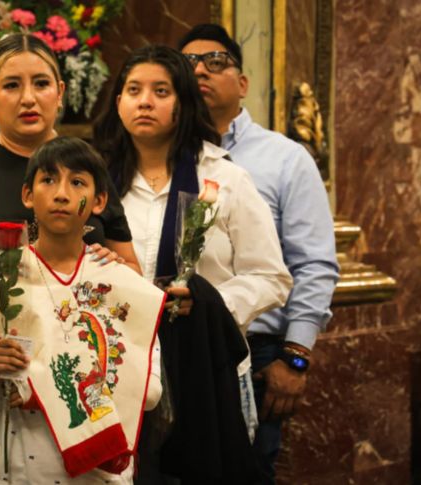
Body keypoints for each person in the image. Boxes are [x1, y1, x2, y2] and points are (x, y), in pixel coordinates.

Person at [93, 44, 292, 483]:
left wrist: (208, 302)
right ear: (119, 102)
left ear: (182, 104)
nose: (145, 101)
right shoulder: (96, 177)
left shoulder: (224, 178)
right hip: (115, 369)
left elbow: (272, 277)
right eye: (134, 90)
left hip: (205, 368)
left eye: (161, 91)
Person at [179, 24, 340, 484]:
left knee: (245, 473)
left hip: (257, 351)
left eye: (216, 62)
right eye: (189, 64)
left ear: (243, 83)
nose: (201, 73)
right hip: (174, 348)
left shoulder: (285, 158)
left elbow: (313, 263)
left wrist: (295, 357)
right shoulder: (160, 156)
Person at [0, 136, 166, 484]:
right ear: (27, 195)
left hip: (99, 470)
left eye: (77, 182)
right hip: (18, 463)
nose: (61, 194)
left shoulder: (119, 283)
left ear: (100, 200)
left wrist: (61, 382)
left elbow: (149, 393)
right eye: (48, 180)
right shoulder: (3, 274)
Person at [0, 33, 141, 273]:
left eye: (41, 84)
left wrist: (113, 266)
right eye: (12, 85)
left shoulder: (86, 163)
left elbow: (133, 272)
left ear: (60, 93)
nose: (28, 98)